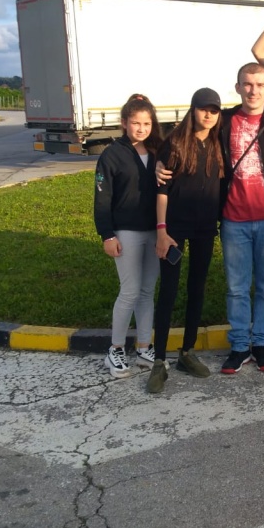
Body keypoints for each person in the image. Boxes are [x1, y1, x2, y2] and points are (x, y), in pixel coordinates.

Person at [216, 64, 264, 373]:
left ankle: (261, 343)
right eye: (247, 84)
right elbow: (188, 142)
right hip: (233, 219)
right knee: (236, 287)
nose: (253, 90)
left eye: (260, 84)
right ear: (237, 87)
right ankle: (239, 346)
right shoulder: (223, 121)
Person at [149, 88, 225, 392]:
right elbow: (162, 192)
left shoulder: (218, 143)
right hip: (174, 229)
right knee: (168, 291)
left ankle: (187, 352)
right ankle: (159, 360)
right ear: (192, 110)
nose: (208, 115)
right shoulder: (175, 144)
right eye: (203, 109)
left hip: (205, 228)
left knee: (197, 288)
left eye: (214, 110)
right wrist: (162, 231)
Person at [94, 93, 163, 378]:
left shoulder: (157, 152)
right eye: (136, 123)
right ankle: (116, 349)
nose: (141, 128)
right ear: (124, 123)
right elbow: (102, 198)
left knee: (147, 291)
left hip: (154, 231)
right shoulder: (112, 154)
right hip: (126, 232)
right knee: (130, 291)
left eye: (147, 123)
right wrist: (107, 235)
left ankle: (144, 346)